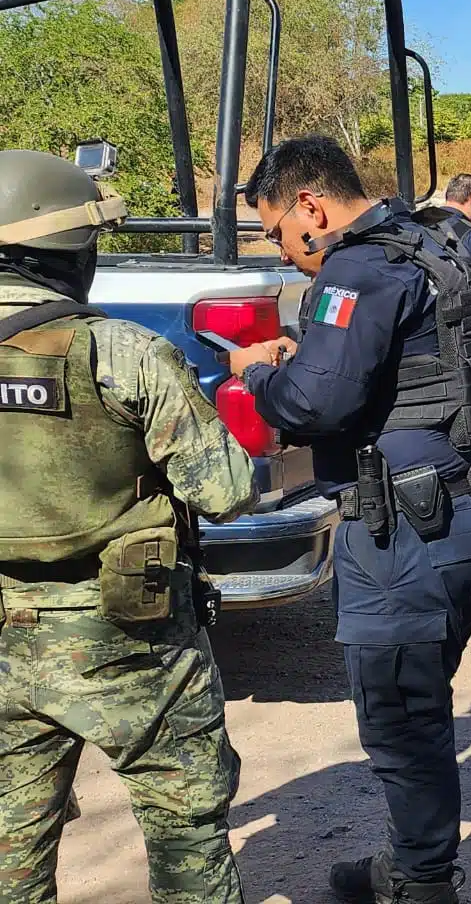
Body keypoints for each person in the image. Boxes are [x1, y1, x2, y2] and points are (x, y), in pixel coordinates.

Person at [226, 136, 471, 904]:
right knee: (417, 704)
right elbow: (394, 367)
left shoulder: (356, 266)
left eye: (281, 233)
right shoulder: (427, 239)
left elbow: (315, 405)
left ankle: (421, 885)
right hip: (468, 506)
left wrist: (255, 372)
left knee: (400, 718)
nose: (286, 254)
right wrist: (307, 354)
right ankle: (409, 861)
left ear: (311, 207)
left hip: (409, 529)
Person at [0, 150, 256, 903]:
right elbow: (226, 491)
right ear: (71, 251)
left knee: (11, 854)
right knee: (187, 842)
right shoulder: (124, 351)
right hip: (132, 642)